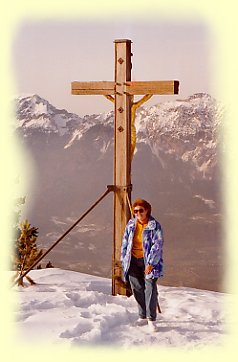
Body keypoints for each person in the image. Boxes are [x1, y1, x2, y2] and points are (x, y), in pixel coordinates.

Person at [120, 198, 164, 331]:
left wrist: (150, 263)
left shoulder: (154, 226)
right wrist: (124, 258)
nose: (138, 213)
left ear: (147, 211)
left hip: (148, 261)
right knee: (137, 288)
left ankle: (151, 319)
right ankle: (142, 315)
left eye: (141, 210)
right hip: (132, 260)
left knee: (150, 288)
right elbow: (125, 241)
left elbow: (157, 245)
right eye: (135, 211)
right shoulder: (131, 224)